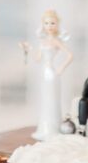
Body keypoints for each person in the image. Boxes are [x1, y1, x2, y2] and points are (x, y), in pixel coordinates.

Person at [20, 9, 73, 140]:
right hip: (44, 73)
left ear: (57, 24)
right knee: (45, 100)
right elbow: (38, 59)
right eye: (47, 23)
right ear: (43, 24)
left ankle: (53, 129)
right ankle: (45, 128)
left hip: (52, 73)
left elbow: (70, 55)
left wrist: (60, 69)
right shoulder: (42, 42)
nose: (49, 26)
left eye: (52, 23)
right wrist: (27, 50)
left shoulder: (56, 41)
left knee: (52, 99)